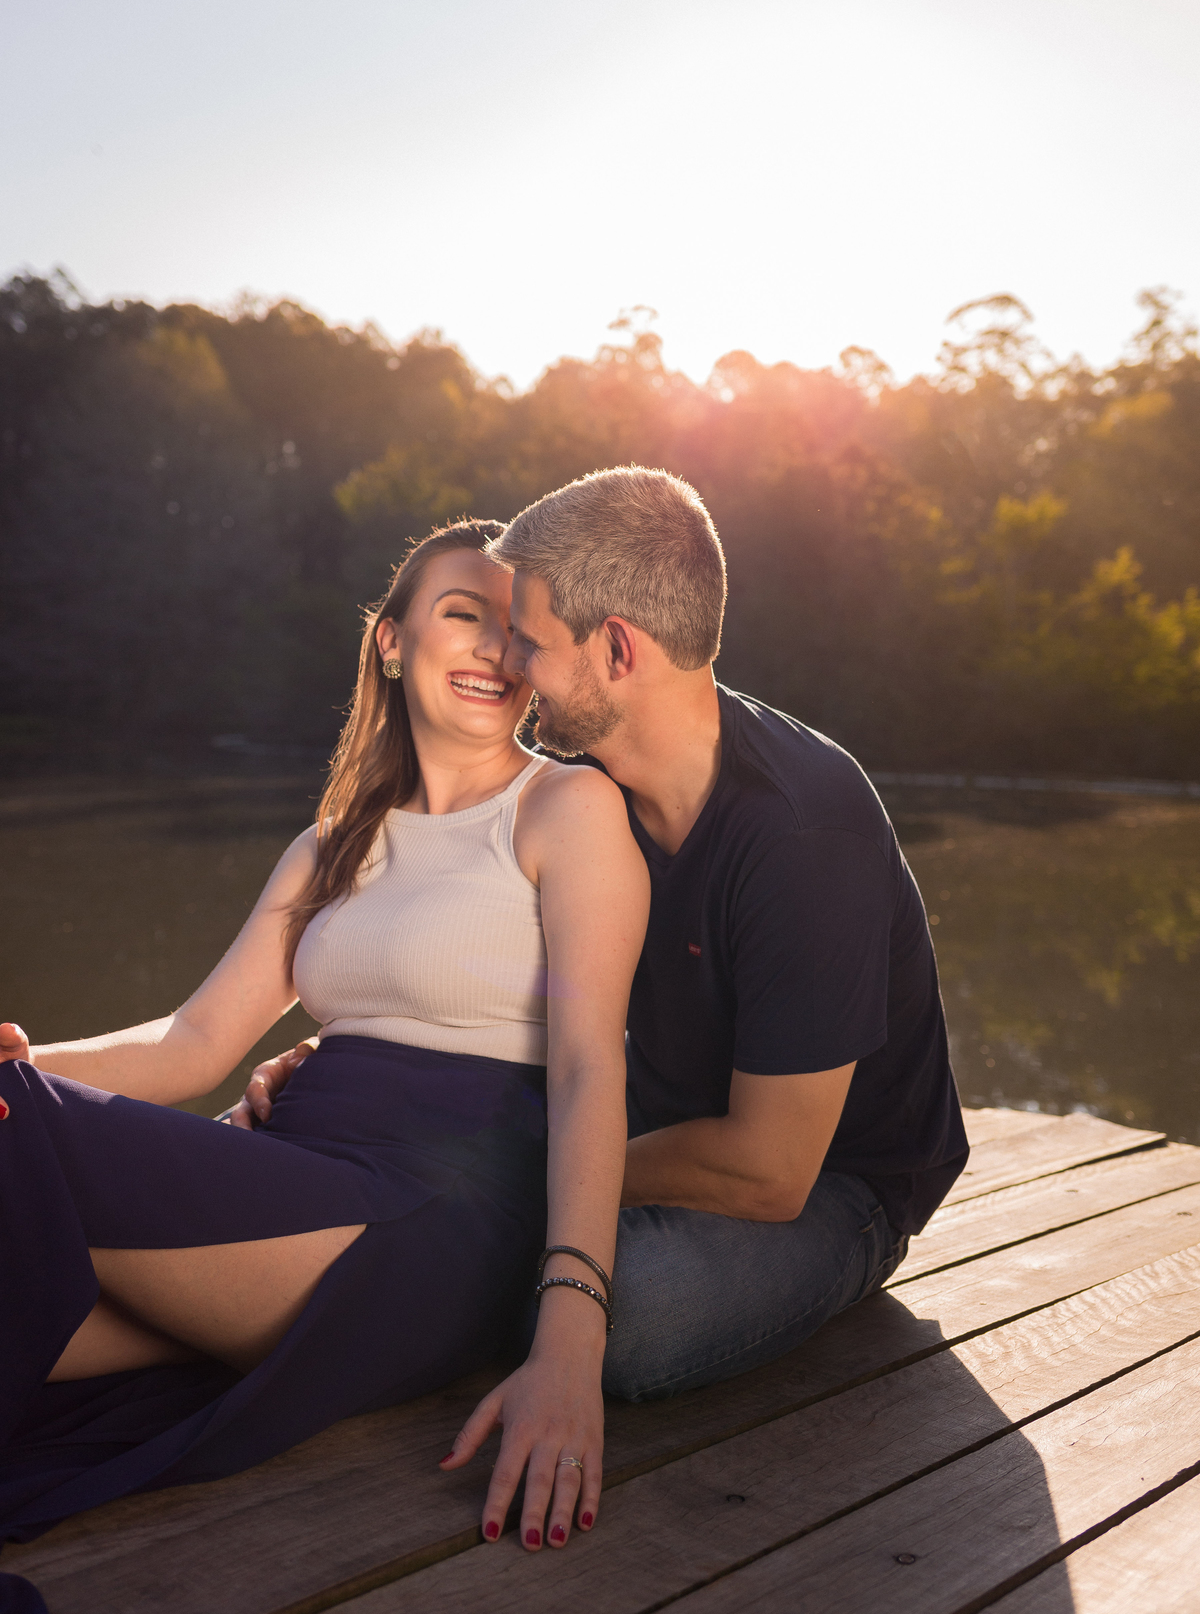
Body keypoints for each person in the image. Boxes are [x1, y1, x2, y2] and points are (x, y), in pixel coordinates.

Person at [0, 517, 649, 1604]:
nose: (494, 648)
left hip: (429, 1214)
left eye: (517, 631)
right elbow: (192, 1044)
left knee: (15, 1124)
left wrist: (569, 1339)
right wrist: (31, 1056)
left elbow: (592, 1067)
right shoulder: (333, 841)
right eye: (461, 615)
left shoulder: (563, 807)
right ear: (390, 643)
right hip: (294, 1178)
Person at [240, 469, 969, 1404]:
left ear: (616, 648)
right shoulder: (585, 795)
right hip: (654, 1121)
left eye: (531, 642)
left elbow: (769, 1173)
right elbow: (483, 971)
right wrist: (365, 1065)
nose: (509, 664)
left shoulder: (803, 832)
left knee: (625, 1313)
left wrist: (515, 1169)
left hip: (836, 1186)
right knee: (487, 1247)